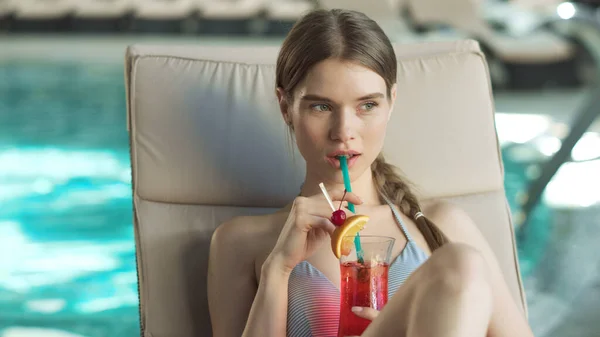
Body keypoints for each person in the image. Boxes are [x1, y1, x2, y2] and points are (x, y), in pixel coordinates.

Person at [207, 8, 534, 337]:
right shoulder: (241, 241)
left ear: (391, 102)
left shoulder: (443, 225)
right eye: (321, 106)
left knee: (461, 262)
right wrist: (279, 267)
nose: (344, 131)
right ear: (285, 107)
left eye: (367, 105)